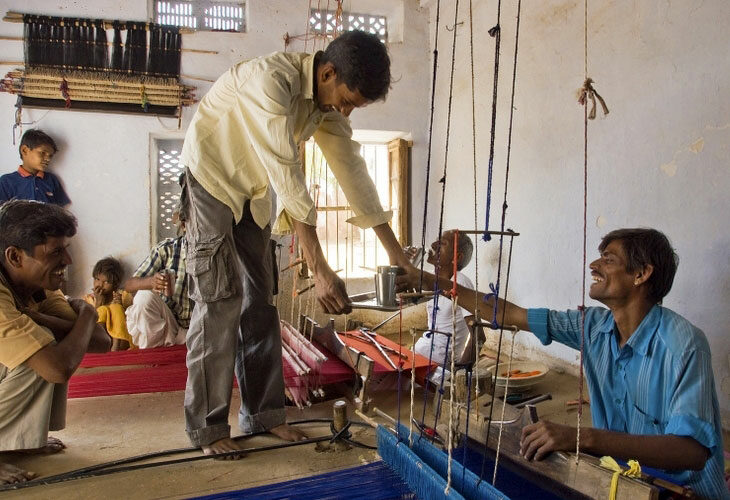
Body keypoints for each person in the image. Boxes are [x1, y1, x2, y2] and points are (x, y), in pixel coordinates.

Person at [179, 30, 413, 457]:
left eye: (352, 107)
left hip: (251, 193)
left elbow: (353, 172)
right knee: (220, 301)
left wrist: (396, 253)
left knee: (260, 304)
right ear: (327, 72)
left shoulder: (325, 103)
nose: (344, 111)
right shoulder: (270, 81)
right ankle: (208, 429)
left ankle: (264, 417)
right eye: (346, 101)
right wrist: (320, 269)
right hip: (211, 181)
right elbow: (288, 175)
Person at [398, 227, 728, 499]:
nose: (594, 265)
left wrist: (584, 438)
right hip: (624, 481)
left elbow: (692, 452)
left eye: (608, 259)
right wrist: (430, 282)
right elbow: (511, 314)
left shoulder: (683, 344)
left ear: (641, 274)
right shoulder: (594, 326)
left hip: (683, 492)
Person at [0, 200, 110, 485]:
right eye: (56, 252)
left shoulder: (35, 285)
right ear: (15, 257)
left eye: (66, 249)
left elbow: (101, 341)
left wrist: (80, 319)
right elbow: (57, 368)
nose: (67, 261)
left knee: (51, 341)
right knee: (43, 353)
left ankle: (18, 440)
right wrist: (87, 312)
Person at [412, 230, 475, 382]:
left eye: (442, 244)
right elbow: (401, 295)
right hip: (421, 352)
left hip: (439, 364)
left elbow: (478, 335)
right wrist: (409, 263)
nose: (434, 245)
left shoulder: (461, 283)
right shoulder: (433, 280)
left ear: (457, 257)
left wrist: (460, 371)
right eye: (436, 241)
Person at [123, 209, 189, 350]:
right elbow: (129, 285)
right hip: (170, 324)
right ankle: (152, 355)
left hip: (202, 328)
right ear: (184, 226)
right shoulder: (167, 250)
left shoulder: (220, 251)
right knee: (143, 297)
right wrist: (151, 282)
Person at [0, 129, 71, 206]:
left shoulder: (51, 180)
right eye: (43, 153)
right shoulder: (6, 182)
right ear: (25, 150)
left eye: (50, 156)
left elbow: (60, 211)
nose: (48, 159)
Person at [83, 257, 135, 351]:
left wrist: (120, 306)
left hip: (122, 341)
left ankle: (116, 346)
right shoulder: (89, 299)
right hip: (100, 342)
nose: (100, 285)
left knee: (115, 307)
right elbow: (88, 325)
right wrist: (98, 303)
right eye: (97, 279)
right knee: (102, 310)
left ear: (115, 284)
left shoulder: (123, 296)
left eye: (106, 282)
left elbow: (132, 320)